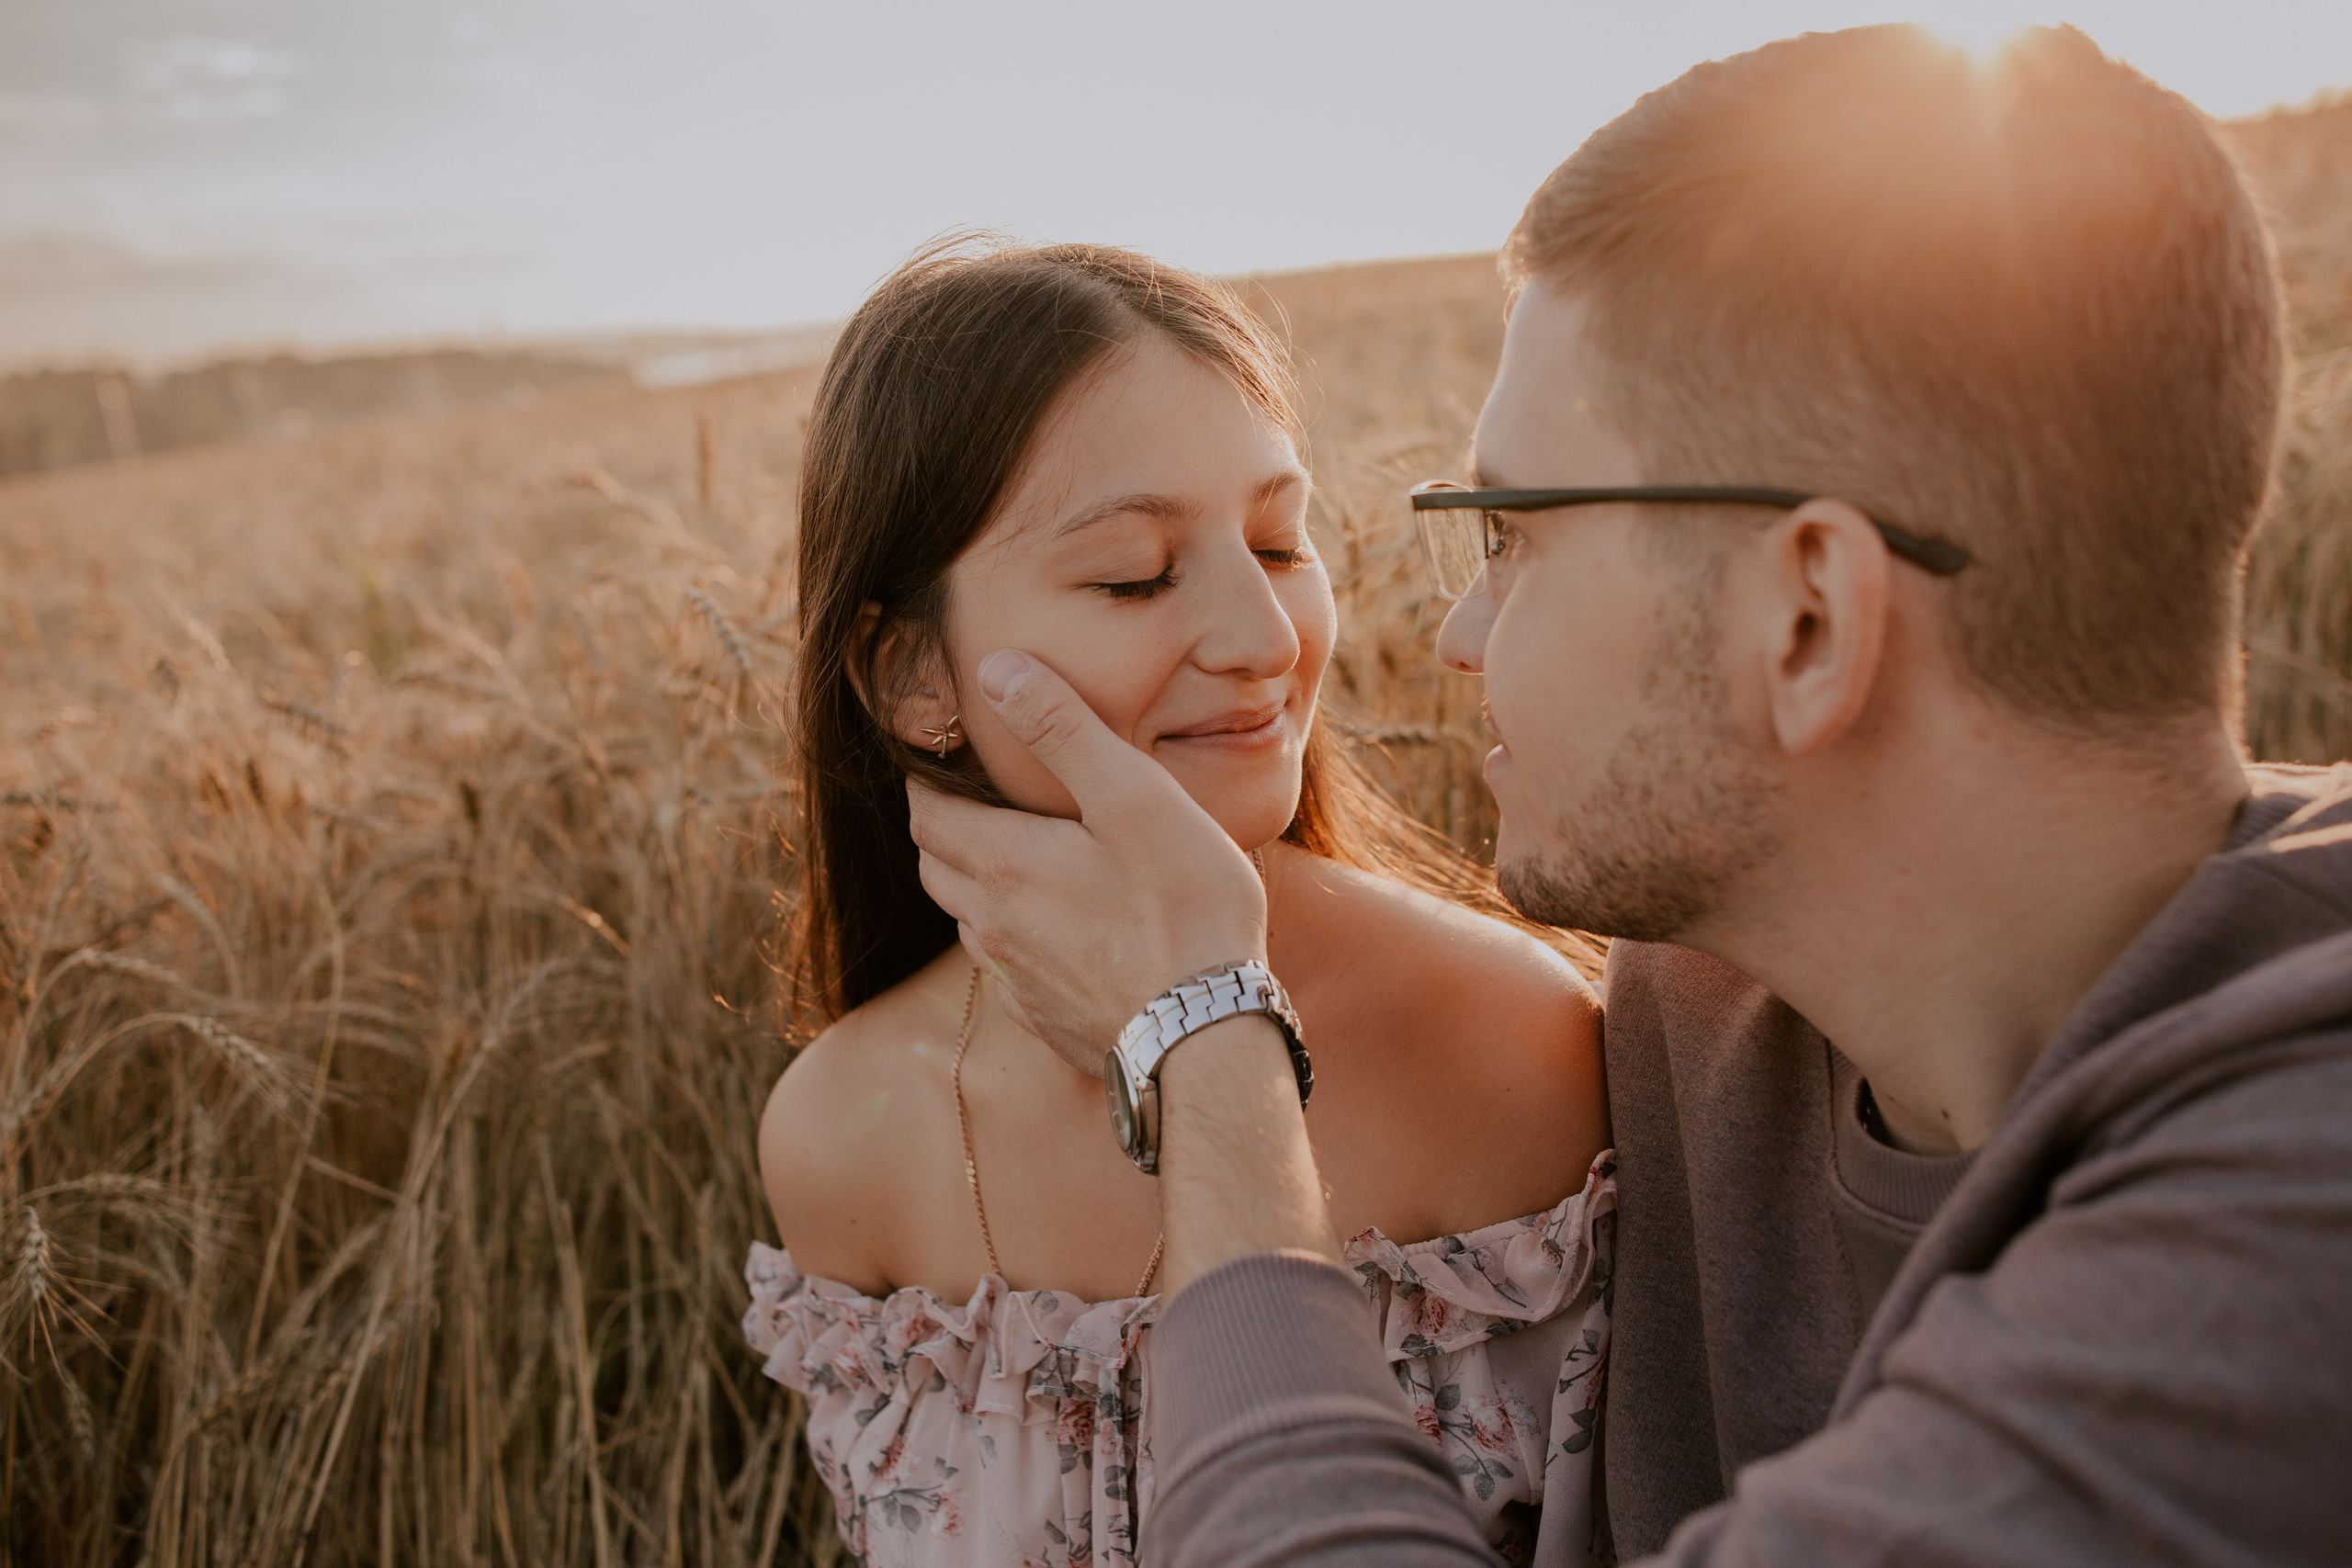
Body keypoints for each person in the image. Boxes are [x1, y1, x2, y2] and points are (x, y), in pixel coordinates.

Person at [909, 24, 2352, 1568]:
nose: (1456, 637)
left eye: (1513, 533)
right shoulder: (1703, 1009)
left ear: (1803, 619)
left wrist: (1202, 1036)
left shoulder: (2297, 1208)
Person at [743, 240, 1615, 1568]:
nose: (1265, 640)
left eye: (1278, 541)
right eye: (1136, 576)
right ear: (912, 671)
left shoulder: (1501, 1040)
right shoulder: (840, 1138)